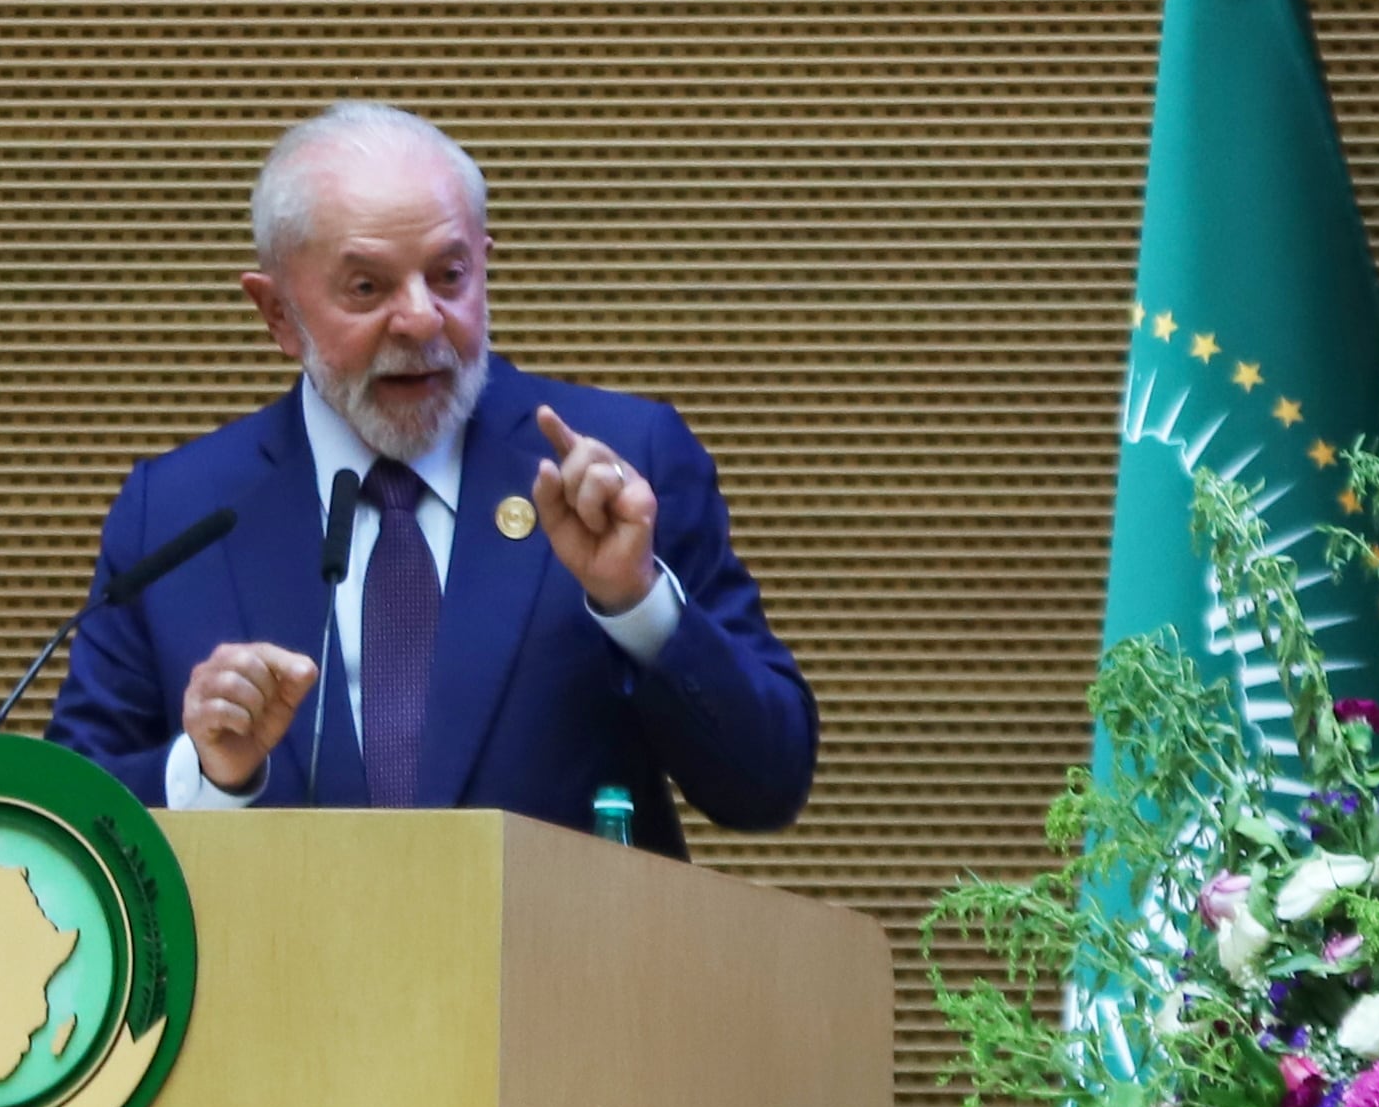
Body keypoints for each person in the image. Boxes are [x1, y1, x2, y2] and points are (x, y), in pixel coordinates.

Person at [46, 103, 815, 853]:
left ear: (486, 263)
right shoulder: (177, 512)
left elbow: (767, 784)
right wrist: (206, 772)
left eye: (448, 277)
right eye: (366, 289)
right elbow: (64, 823)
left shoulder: (622, 466)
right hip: (277, 977)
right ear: (278, 314)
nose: (419, 321)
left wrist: (637, 601)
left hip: (558, 978)